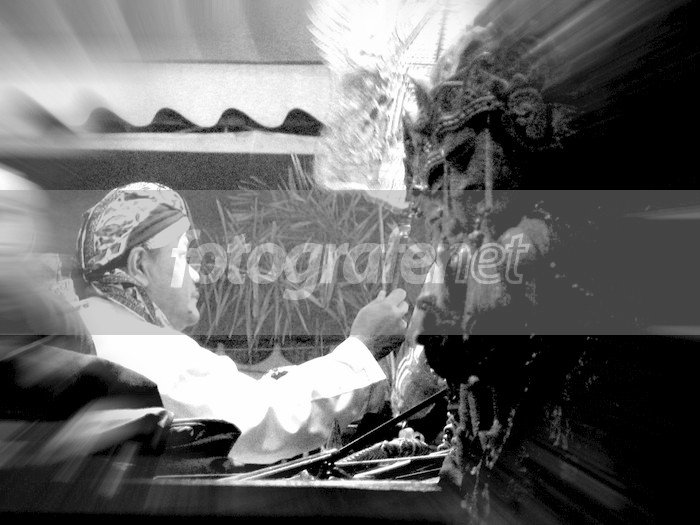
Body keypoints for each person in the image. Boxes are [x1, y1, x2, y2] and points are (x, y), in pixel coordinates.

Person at [73, 182, 409, 465]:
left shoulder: (98, 329)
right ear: (139, 265)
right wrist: (362, 349)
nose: (196, 274)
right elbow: (264, 419)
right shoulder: (143, 350)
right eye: (184, 257)